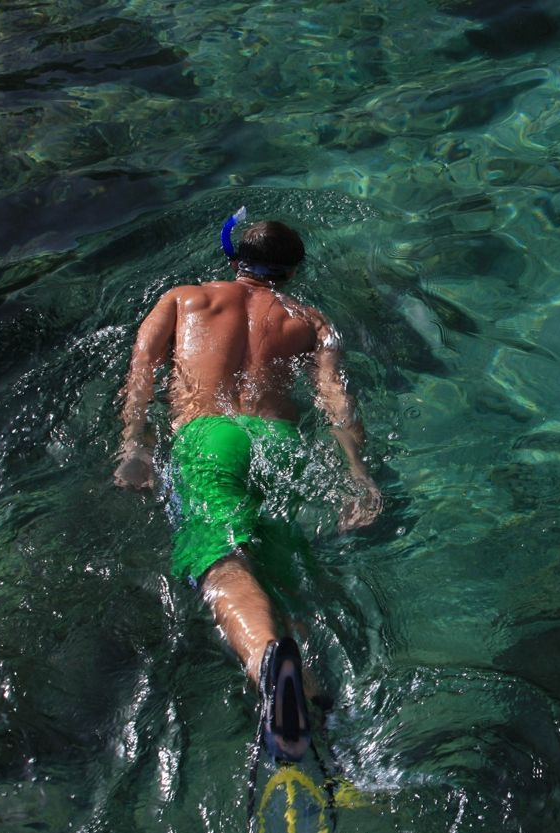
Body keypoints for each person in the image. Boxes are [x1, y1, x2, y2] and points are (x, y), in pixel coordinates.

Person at [113, 209, 382, 762]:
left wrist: (133, 444)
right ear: (293, 271)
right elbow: (336, 399)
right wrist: (359, 475)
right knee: (281, 573)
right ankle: (310, 704)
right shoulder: (312, 320)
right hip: (278, 441)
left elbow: (141, 368)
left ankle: (267, 666)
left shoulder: (184, 298)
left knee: (220, 555)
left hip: (209, 435)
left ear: (233, 258)